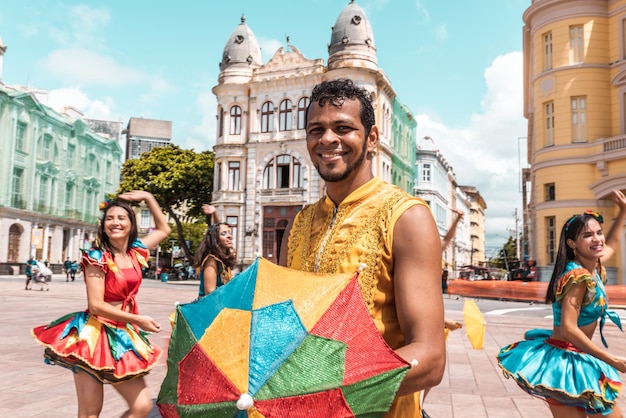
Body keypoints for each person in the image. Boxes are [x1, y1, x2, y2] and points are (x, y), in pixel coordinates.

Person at [279, 78, 445, 417]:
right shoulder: (298, 225)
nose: (327, 139)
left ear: (371, 139)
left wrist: (335, 384)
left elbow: (430, 358)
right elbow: (282, 325)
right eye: (316, 130)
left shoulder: (407, 217)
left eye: (343, 128)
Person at [31, 190, 171, 418]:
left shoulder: (136, 252)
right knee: (90, 413)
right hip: (93, 336)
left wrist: (148, 197)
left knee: (142, 406)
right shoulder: (97, 257)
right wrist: (138, 320)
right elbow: (96, 305)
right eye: (109, 218)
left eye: (121, 218)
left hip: (123, 335)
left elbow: (164, 229)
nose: (115, 222)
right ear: (103, 225)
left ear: (131, 223)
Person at [497, 190, 626, 418]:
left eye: (599, 233)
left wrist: (623, 211)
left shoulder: (592, 267)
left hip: (579, 357)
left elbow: (612, 245)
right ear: (572, 243)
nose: (597, 239)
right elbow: (568, 327)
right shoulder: (578, 277)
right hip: (564, 362)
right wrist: (611, 359)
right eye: (588, 235)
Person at [195, 221, 236, 298]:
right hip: (208, 307)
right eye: (223, 234)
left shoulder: (222, 261)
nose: (229, 236)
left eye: (229, 233)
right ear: (215, 239)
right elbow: (210, 293)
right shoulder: (211, 261)